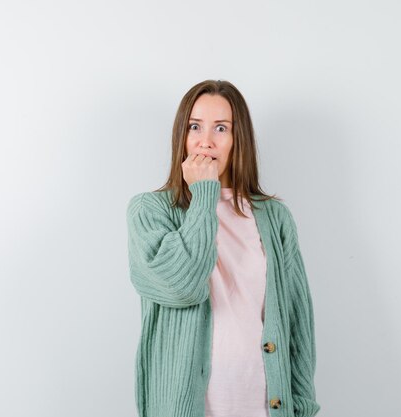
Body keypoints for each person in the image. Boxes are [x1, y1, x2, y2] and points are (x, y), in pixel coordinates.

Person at [126, 79, 320, 417]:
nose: (206, 140)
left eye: (220, 128)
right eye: (195, 126)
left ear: (236, 138)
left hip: (264, 405)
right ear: (181, 137)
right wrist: (204, 195)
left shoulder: (274, 218)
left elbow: (296, 322)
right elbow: (179, 286)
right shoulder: (151, 211)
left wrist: (302, 408)